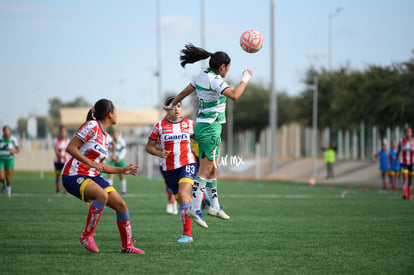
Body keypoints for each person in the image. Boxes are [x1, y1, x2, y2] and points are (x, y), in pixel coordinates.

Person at [164, 43, 253, 228]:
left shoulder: (200, 76)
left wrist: (172, 106)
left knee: (213, 168)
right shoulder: (216, 81)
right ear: (222, 67)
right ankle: (195, 208)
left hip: (207, 126)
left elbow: (182, 93)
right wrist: (245, 78)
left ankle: (214, 205)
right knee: (205, 170)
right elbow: (235, 95)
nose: (228, 70)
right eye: (228, 67)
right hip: (210, 128)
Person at [62, 99, 145, 254]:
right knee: (102, 196)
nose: (117, 114)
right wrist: (90, 163)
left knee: (121, 206)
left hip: (92, 175)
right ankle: (87, 235)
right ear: (109, 113)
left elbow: (101, 166)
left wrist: (122, 170)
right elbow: (71, 148)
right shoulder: (91, 126)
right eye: (116, 111)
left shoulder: (106, 137)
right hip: (73, 174)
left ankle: (127, 246)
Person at [146, 96, 197, 242]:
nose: (176, 109)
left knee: (183, 195)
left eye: (179, 106)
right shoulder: (159, 126)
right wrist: (159, 153)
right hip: (168, 168)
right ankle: (198, 200)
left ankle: (187, 235)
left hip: (187, 163)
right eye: (173, 106)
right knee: (182, 199)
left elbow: (199, 140)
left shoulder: (190, 124)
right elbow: (149, 147)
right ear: (166, 109)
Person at [106, 130, 128, 195]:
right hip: (112, 160)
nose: (115, 136)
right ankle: (109, 190)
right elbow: (108, 151)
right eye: (114, 134)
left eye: (116, 134)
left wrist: (119, 158)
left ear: (118, 135)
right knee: (110, 174)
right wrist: (109, 158)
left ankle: (123, 191)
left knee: (121, 175)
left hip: (120, 160)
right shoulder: (111, 141)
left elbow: (124, 150)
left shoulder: (122, 141)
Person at [0, 125, 20, 198]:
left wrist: (14, 151)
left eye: (8, 130)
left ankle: (8, 192)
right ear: (3, 132)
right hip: (1, 159)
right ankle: (4, 184)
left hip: (10, 160)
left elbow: (18, 149)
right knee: (1, 177)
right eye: (5, 130)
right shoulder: (0, 139)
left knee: (8, 176)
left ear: (10, 131)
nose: (6, 132)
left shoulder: (13, 139)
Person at [397, 127, 414, 200]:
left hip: (412, 163)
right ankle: (404, 192)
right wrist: (397, 160)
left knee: (410, 179)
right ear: (405, 133)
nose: (408, 133)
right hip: (404, 163)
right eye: (407, 132)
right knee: (405, 177)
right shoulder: (401, 141)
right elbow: (398, 151)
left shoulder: (413, 141)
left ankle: (409, 194)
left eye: (410, 132)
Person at [53, 125, 70, 194]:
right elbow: (56, 151)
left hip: (65, 162)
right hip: (57, 161)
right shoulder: (56, 141)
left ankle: (66, 190)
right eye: (62, 132)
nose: (63, 133)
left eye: (64, 132)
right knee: (58, 176)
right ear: (60, 132)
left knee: (65, 176)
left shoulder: (67, 141)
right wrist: (62, 156)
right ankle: (58, 189)